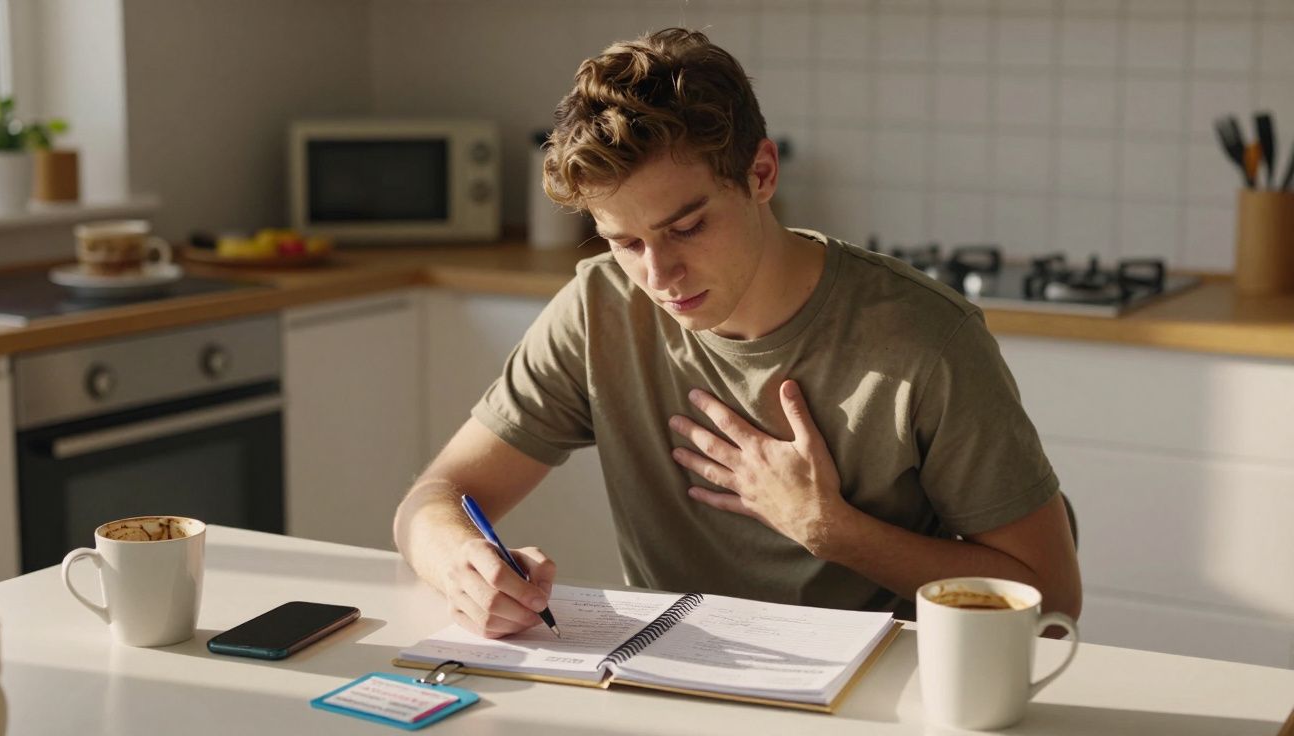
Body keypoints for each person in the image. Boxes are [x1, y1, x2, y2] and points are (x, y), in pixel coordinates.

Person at [394, 28, 1081, 639]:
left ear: (761, 173)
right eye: (625, 241)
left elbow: (1052, 599)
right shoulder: (598, 309)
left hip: (884, 693)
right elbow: (430, 502)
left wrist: (831, 531)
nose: (659, 275)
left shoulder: (927, 340)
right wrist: (465, 565)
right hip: (672, 676)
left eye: (686, 227)